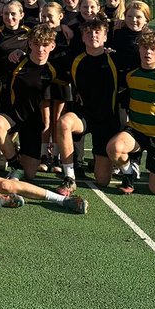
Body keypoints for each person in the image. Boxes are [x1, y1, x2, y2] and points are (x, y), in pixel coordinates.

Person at [106, 29, 155, 196]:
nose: (148, 52)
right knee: (114, 147)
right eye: (144, 47)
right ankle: (129, 173)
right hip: (136, 130)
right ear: (139, 49)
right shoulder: (131, 75)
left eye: (153, 49)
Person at [52, 15, 124, 192]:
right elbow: (46, 62)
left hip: (107, 121)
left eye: (98, 32)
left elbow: (151, 58)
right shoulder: (75, 60)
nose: (93, 36)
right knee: (64, 123)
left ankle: (101, 162)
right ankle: (69, 176)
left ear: (105, 36)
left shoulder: (115, 60)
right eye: (89, 33)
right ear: (83, 37)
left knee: (102, 181)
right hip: (83, 116)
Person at [0, 25, 63, 180]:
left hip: (34, 124)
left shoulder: (55, 71)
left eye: (44, 45)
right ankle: (14, 162)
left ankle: (21, 161)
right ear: (29, 44)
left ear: (52, 46)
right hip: (13, 115)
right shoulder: (16, 61)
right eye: (36, 44)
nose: (40, 49)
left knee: (28, 176)